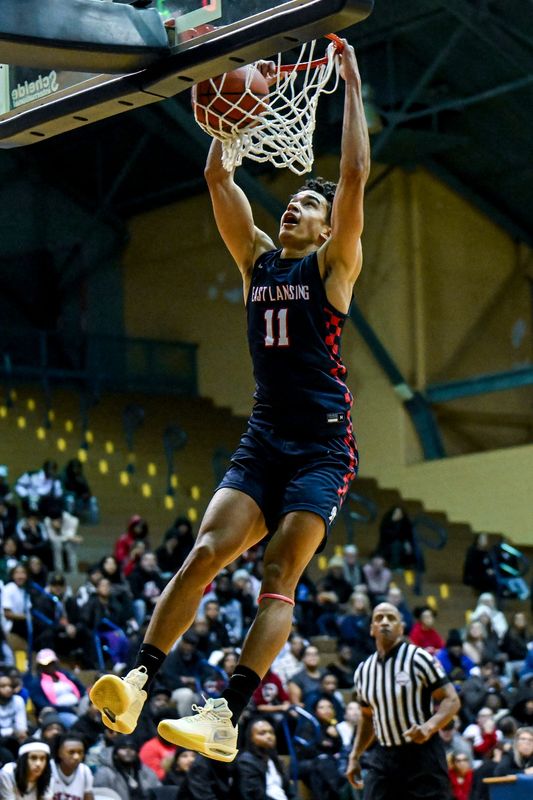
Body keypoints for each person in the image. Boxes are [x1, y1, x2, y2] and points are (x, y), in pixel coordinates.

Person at [89, 40, 369, 766]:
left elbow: (354, 176)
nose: (296, 209)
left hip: (320, 450)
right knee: (204, 553)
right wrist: (230, 119)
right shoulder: (255, 260)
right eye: (294, 202)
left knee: (278, 575)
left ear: (326, 230)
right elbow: (217, 175)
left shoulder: (333, 269)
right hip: (265, 437)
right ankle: (139, 681)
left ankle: (227, 715)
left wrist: (350, 89)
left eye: (309, 206)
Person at [346, 602, 460, 799]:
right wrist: (355, 755)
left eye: (391, 618)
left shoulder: (419, 658)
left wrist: (428, 727)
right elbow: (367, 717)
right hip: (384, 756)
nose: (384, 622)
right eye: (379, 618)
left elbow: (452, 700)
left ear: (401, 627)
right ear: (372, 629)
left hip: (422, 754)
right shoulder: (363, 671)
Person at [233, 717, 294, 800]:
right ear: (251, 738)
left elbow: (290, 792)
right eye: (262, 733)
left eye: (271, 732)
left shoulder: (275, 761)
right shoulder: (245, 762)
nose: (269, 736)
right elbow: (253, 795)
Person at [51, 733, 94, 800]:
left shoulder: (85, 771)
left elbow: (88, 796)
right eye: (71, 752)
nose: (76, 757)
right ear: (59, 753)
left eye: (80, 752)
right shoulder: (49, 768)